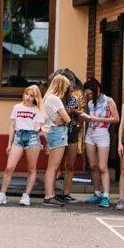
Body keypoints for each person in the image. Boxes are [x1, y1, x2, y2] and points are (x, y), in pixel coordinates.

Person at [0, 85, 46, 206]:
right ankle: (2, 195)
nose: (28, 97)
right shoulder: (17, 107)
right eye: (27, 94)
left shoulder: (38, 110)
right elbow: (12, 126)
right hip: (18, 136)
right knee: (9, 168)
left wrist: (43, 130)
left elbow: (37, 128)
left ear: (35, 97)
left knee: (31, 168)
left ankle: (26, 195)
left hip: (32, 137)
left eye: (31, 95)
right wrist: (9, 144)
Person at [80, 78, 119, 208]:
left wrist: (94, 118)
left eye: (90, 93)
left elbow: (116, 119)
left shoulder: (109, 100)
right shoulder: (91, 103)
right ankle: (97, 193)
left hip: (103, 134)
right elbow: (90, 119)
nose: (89, 96)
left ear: (97, 89)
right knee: (93, 166)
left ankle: (106, 195)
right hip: (90, 134)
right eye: (87, 94)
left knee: (103, 166)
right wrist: (84, 117)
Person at [41, 75, 73, 207]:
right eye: (65, 86)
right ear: (60, 85)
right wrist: (64, 118)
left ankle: (51, 194)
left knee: (52, 167)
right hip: (57, 132)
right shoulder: (55, 99)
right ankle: (49, 196)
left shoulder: (47, 98)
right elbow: (67, 119)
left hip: (51, 131)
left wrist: (60, 119)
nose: (66, 89)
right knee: (53, 167)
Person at [55, 69, 85, 202]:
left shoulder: (73, 97)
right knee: (55, 163)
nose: (70, 86)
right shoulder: (55, 97)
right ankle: (51, 192)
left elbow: (68, 113)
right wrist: (72, 111)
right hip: (58, 130)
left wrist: (73, 112)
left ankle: (66, 193)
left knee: (70, 164)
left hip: (72, 130)